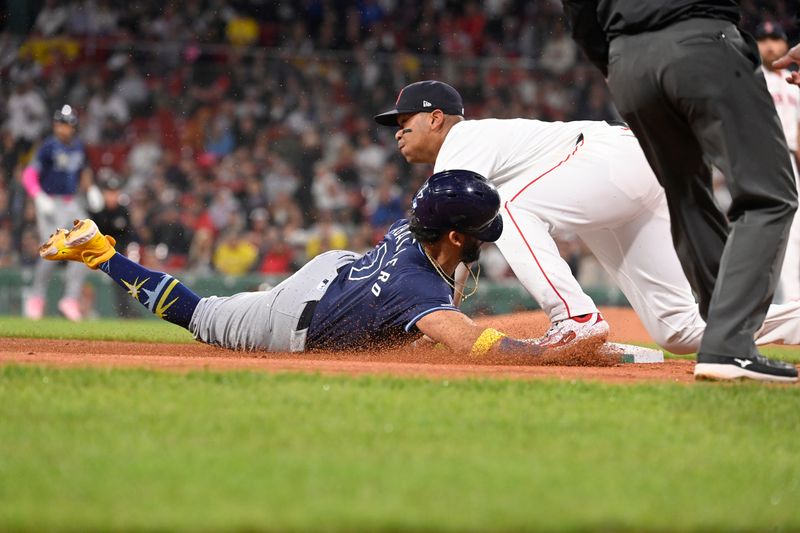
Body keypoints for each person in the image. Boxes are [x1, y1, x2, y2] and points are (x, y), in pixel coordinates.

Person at [374, 80, 800, 382]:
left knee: (511, 208)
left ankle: (574, 318)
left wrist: (442, 318)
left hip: (611, 159)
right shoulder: (471, 148)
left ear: (435, 119)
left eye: (404, 121)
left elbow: (457, 234)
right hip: (636, 171)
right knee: (681, 331)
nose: (397, 131)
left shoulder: (461, 140)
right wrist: (448, 317)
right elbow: (461, 238)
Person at [38, 170, 572, 359]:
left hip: (335, 270)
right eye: (478, 233)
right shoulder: (422, 295)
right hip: (299, 318)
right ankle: (99, 252)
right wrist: (546, 352)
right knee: (199, 317)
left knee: (404, 316)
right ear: (456, 236)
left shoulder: (416, 224)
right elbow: (467, 339)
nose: (486, 240)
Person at [562, 0, 798, 381]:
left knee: (687, 196)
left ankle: (722, 338)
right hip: (701, 42)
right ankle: (729, 345)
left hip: (628, 63)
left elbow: (577, 7)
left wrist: (614, 60)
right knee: (769, 196)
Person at [22, 105, 103, 321]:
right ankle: (36, 297)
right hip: (51, 201)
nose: (62, 128)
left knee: (86, 246)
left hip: (73, 202)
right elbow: (28, 174)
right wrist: (38, 195)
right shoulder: (48, 146)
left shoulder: (78, 147)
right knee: (50, 252)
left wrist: (91, 188)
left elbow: (83, 171)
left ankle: (70, 299)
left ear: (73, 126)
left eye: (66, 124)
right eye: (59, 123)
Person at [756, 22, 800, 303]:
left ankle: (791, 304)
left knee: (792, 234)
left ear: (786, 46)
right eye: (763, 39)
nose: (770, 45)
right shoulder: (751, 76)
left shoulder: (795, 82)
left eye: (776, 38)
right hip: (758, 158)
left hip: (788, 161)